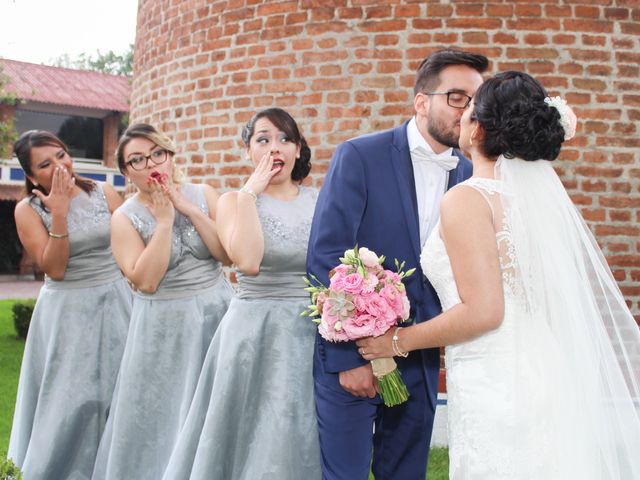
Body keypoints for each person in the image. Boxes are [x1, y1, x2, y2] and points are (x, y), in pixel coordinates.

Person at [357, 71, 640, 478]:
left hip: (499, 381)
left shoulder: (467, 199)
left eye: (468, 109)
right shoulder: (532, 205)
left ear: (480, 130)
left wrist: (395, 341)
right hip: (542, 368)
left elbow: (485, 311)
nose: (460, 118)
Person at [306, 49, 489, 479]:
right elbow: (326, 257)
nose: (468, 112)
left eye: (475, 101)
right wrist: (348, 358)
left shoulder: (471, 176)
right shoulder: (360, 156)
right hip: (353, 355)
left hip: (420, 358)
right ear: (421, 102)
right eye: (457, 97)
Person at [162, 108, 321, 479]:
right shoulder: (234, 201)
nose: (274, 148)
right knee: (248, 424)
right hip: (254, 330)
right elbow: (247, 261)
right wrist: (251, 192)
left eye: (284, 139)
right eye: (262, 140)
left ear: (298, 149)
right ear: (248, 151)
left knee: (298, 422)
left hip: (309, 328)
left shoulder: (321, 200)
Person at [91, 124, 233, 480]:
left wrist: (189, 209)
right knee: (166, 411)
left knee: (220, 403)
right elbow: (147, 280)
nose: (150, 164)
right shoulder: (124, 218)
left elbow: (226, 255)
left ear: (170, 154)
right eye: (136, 160)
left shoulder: (204, 193)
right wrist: (166, 222)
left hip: (217, 314)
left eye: (157, 153)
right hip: (164, 326)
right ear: (126, 171)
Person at [8, 130, 132, 480]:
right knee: (71, 399)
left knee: (119, 389)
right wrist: (59, 213)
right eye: (45, 164)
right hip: (67, 311)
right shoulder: (27, 210)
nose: (59, 165)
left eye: (62, 155)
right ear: (32, 176)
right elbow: (55, 269)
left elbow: (131, 243)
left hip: (117, 300)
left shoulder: (102, 191)